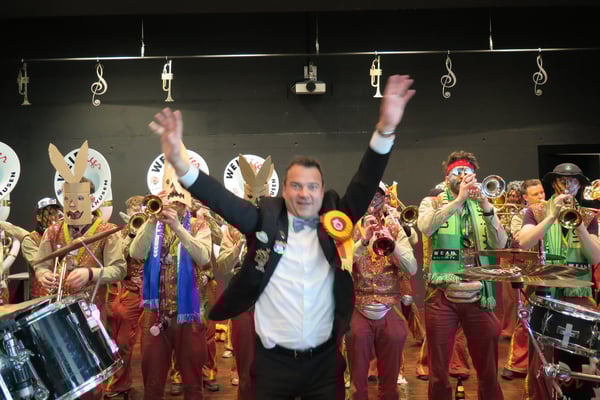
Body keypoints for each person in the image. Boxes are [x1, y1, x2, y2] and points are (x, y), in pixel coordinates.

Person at [149, 74, 415, 399]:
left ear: (322, 191)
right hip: (272, 365)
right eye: (296, 186)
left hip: (324, 365)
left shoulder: (336, 222)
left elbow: (365, 181)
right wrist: (179, 163)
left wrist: (385, 130)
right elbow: (221, 199)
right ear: (284, 190)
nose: (304, 193)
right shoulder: (263, 220)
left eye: (312, 186)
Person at [417, 150, 507, 400]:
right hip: (442, 293)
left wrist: (486, 205)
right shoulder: (431, 201)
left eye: (468, 172)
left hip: (479, 293)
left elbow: (501, 244)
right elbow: (426, 227)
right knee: (438, 370)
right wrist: (458, 201)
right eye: (457, 172)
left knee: (488, 369)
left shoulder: (483, 203)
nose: (463, 176)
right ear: (447, 178)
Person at [35, 165, 126, 400]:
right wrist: (43, 274)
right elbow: (40, 264)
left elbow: (119, 269)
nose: (73, 206)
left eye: (79, 199)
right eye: (68, 200)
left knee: (93, 376)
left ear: (92, 200)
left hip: (93, 312)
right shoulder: (53, 231)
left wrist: (90, 273)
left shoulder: (107, 231)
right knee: (61, 373)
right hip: (57, 314)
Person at [518, 163, 600, 400]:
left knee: (580, 358)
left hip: (579, 297)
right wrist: (552, 215)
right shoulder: (535, 211)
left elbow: (595, 257)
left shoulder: (589, 216)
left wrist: (580, 225)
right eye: (563, 180)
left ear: (579, 186)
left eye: (573, 181)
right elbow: (524, 242)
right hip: (546, 295)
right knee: (542, 361)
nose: (567, 185)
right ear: (554, 184)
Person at [130, 173, 213, 400]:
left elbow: (203, 257)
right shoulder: (153, 223)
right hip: (155, 313)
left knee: (193, 382)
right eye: (171, 199)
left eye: (179, 200)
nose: (175, 205)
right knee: (152, 380)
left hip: (189, 313)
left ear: (187, 202)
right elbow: (136, 253)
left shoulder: (199, 225)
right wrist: (151, 221)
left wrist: (177, 227)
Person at [347, 184, 417, 400]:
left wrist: (393, 245)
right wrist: (363, 241)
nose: (372, 201)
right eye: (368, 196)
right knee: (358, 383)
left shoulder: (395, 227)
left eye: (377, 196)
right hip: (359, 305)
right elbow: (341, 265)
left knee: (390, 383)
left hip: (388, 308)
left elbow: (412, 268)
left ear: (384, 199)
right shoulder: (350, 226)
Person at [501, 179, 545, 381]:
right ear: (526, 198)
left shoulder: (554, 212)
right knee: (526, 318)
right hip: (531, 271)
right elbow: (520, 239)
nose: (541, 197)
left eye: (542, 193)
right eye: (536, 194)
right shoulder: (521, 216)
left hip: (553, 271)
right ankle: (517, 364)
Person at [104, 195, 146, 398]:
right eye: (132, 210)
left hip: (147, 291)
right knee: (118, 340)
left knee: (132, 341)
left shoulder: (155, 230)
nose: (136, 213)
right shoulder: (121, 233)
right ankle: (119, 382)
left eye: (139, 209)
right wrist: (130, 234)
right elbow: (117, 258)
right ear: (128, 213)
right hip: (124, 290)